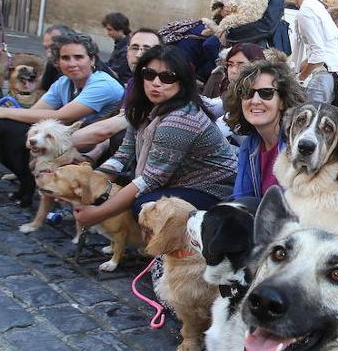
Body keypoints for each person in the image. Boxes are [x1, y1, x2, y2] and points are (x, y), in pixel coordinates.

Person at [74, 45, 236, 225]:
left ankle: (171, 250)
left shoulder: (180, 118)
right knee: (112, 193)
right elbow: (123, 154)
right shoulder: (143, 109)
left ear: (181, 81)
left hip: (212, 190)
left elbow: (151, 179)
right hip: (177, 181)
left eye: (167, 77)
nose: (156, 83)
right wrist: (90, 184)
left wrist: (96, 214)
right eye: (149, 74)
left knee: (145, 207)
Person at [0, 31, 123, 126]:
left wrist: (1, 112)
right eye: (65, 58)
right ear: (58, 62)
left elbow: (62, 117)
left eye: (79, 57)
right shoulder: (63, 82)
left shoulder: (102, 84)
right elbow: (34, 113)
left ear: (92, 60)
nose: (72, 64)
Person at [226, 58, 307, 200]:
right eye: (247, 93)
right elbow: (242, 199)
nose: (255, 101)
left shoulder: (299, 146)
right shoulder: (250, 145)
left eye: (266, 93)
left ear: (282, 101)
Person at [73, 28, 163, 154]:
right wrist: (91, 158)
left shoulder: (160, 86)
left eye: (147, 49)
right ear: (127, 50)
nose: (139, 55)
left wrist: (58, 143)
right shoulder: (134, 82)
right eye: (135, 48)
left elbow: (108, 129)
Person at [103, 12, 133, 83]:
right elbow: (111, 64)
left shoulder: (126, 49)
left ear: (120, 29)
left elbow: (115, 73)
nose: (107, 33)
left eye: (110, 30)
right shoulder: (120, 43)